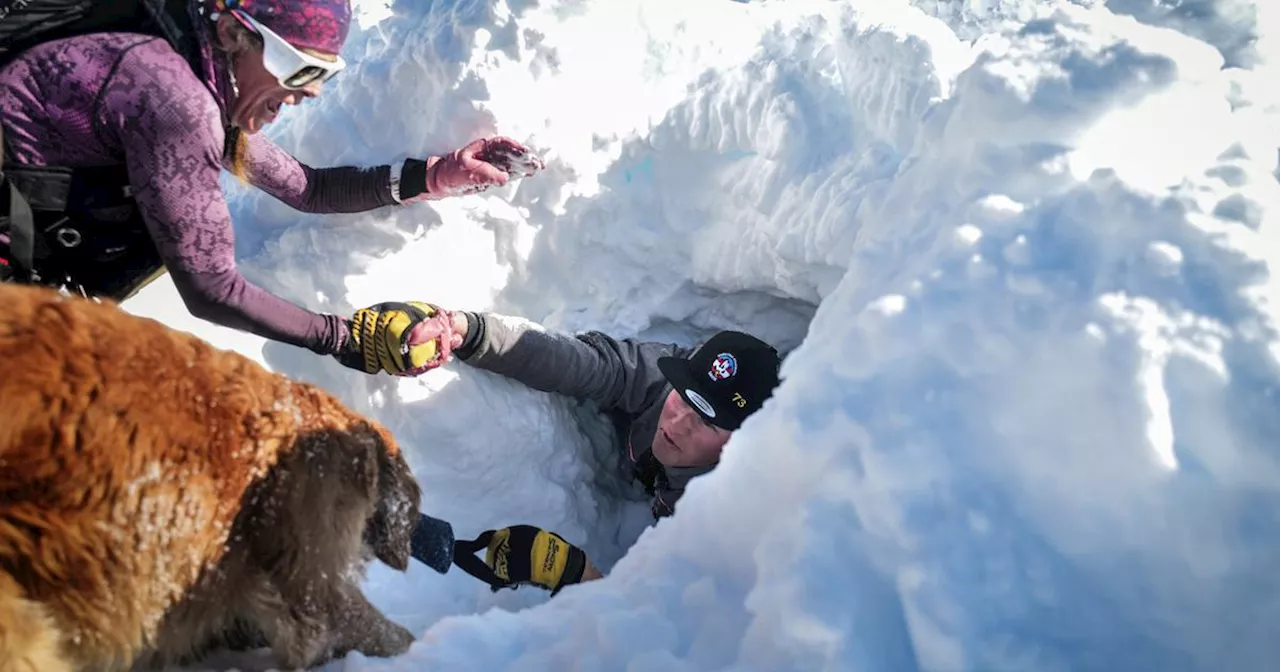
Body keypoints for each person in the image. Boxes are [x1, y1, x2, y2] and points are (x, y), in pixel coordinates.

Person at [0, 0, 538, 377]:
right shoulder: (172, 102)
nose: (303, 94)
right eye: (297, 67)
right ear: (235, 32)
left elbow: (310, 189)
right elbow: (212, 290)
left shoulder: (192, 66)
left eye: (322, 76)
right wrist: (348, 340)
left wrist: (440, 172)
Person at [404, 306, 784, 596]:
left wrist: (581, 577)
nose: (677, 421)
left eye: (706, 421)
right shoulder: (661, 382)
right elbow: (578, 362)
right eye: (682, 396)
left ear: (742, 442)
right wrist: (467, 331)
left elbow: (678, 634)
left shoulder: (736, 514)